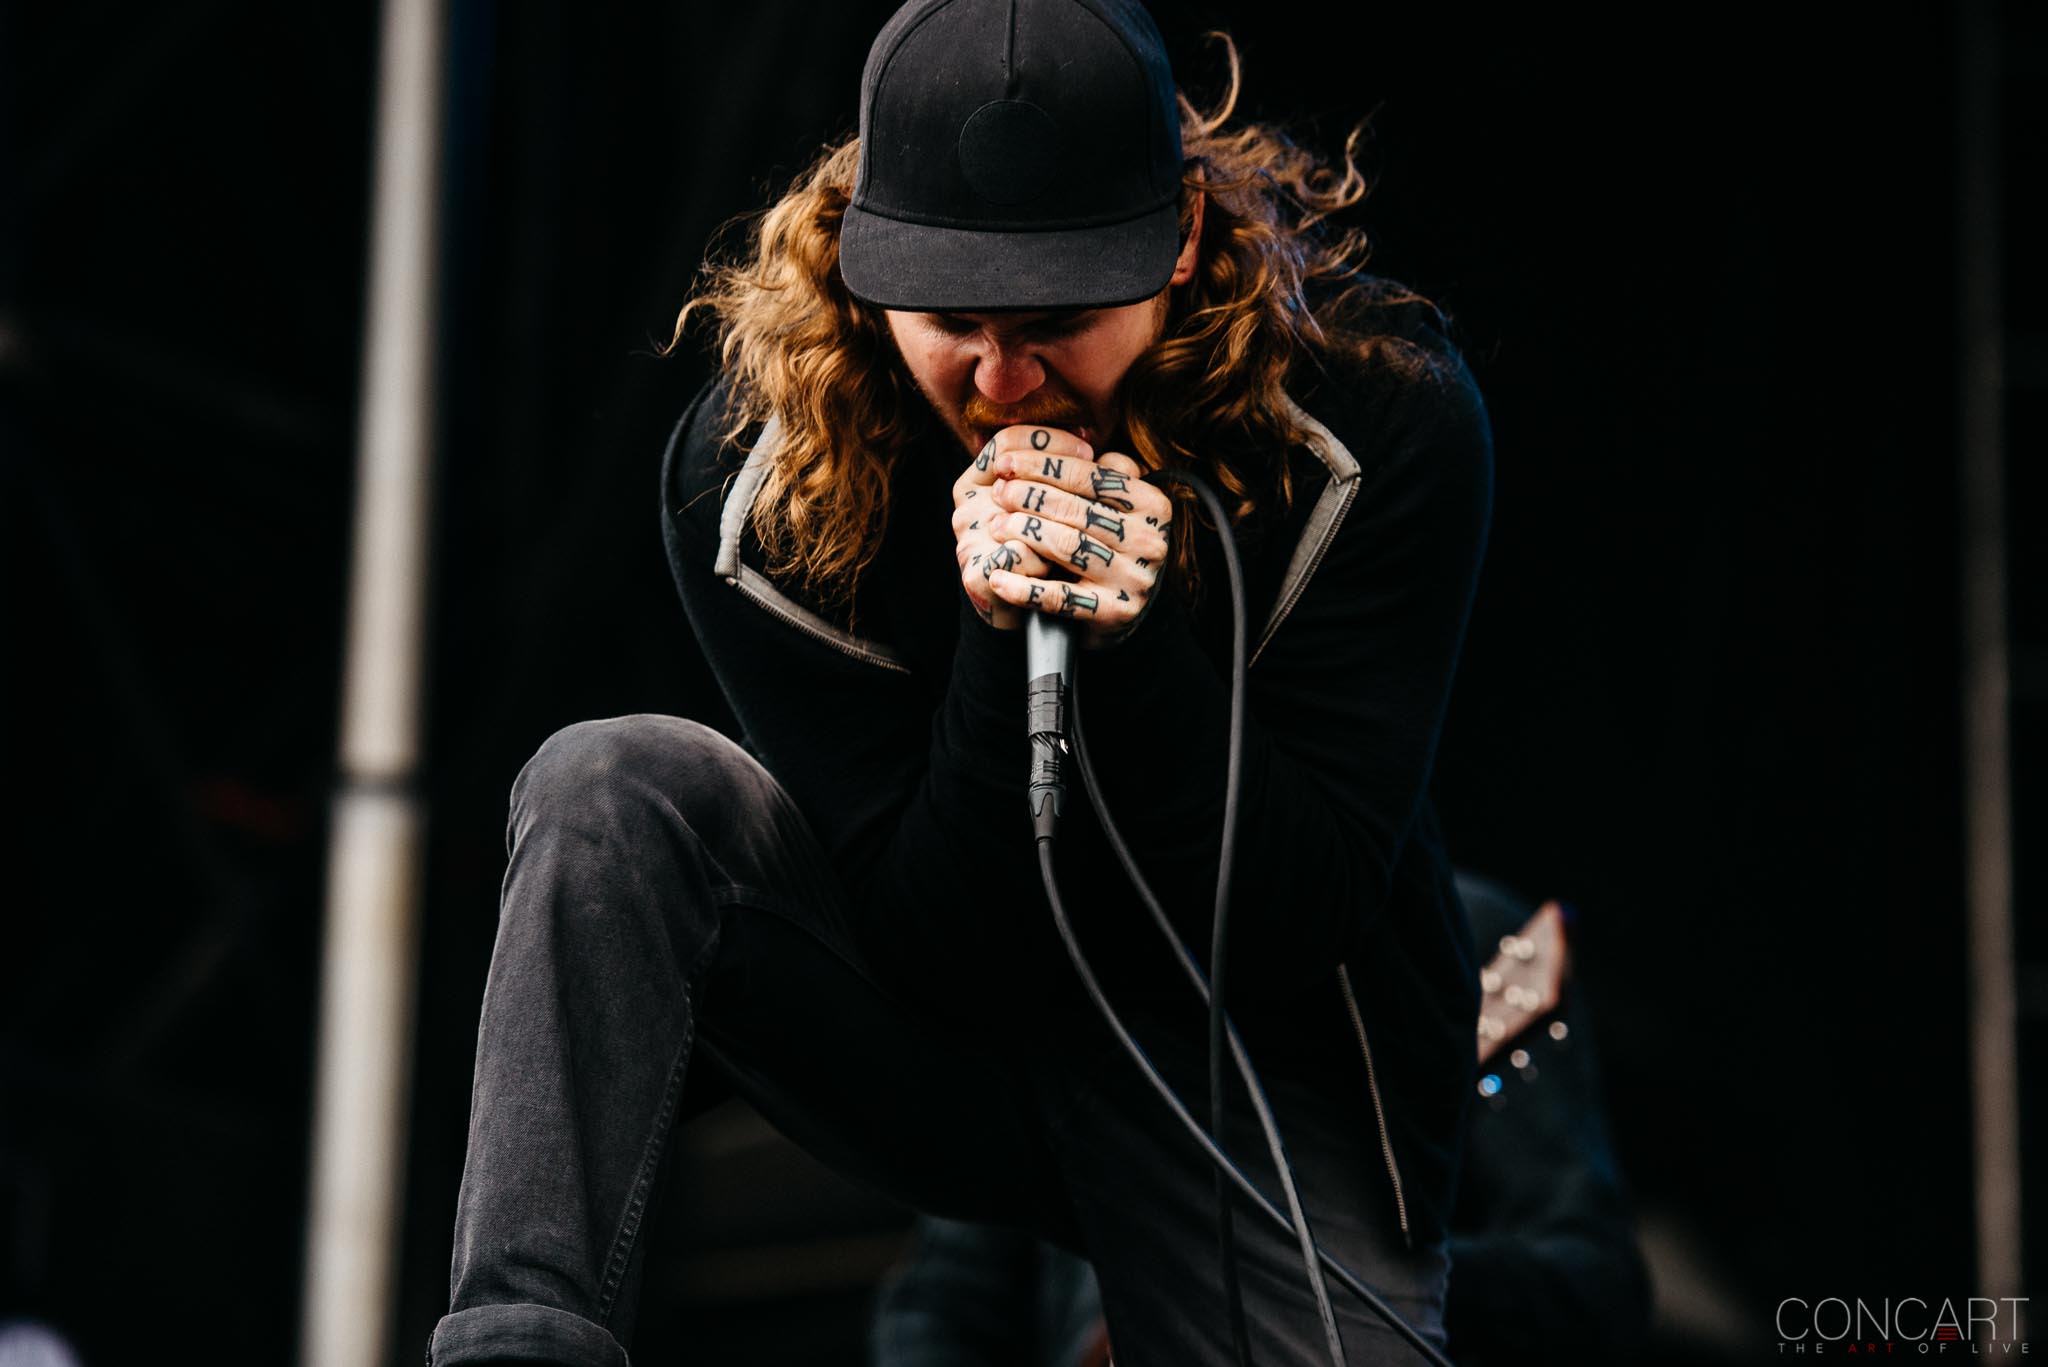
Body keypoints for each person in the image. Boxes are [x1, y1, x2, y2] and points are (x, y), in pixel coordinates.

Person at [428, 0, 1494, 1363]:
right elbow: (935, 938)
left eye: (1057, 319)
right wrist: (1002, 637)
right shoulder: (755, 473)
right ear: (867, 268)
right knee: (609, 780)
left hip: (1261, 1061)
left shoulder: (1375, 412)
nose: (1005, 379)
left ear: (1175, 242)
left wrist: (1135, 642)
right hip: (961, 1032)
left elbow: (1308, 903)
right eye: (949, 321)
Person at [868, 874, 1654, 1367]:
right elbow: (936, 1304)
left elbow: (1600, 1290)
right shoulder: (1083, 963)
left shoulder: (1466, 938)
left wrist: (1368, 1278)